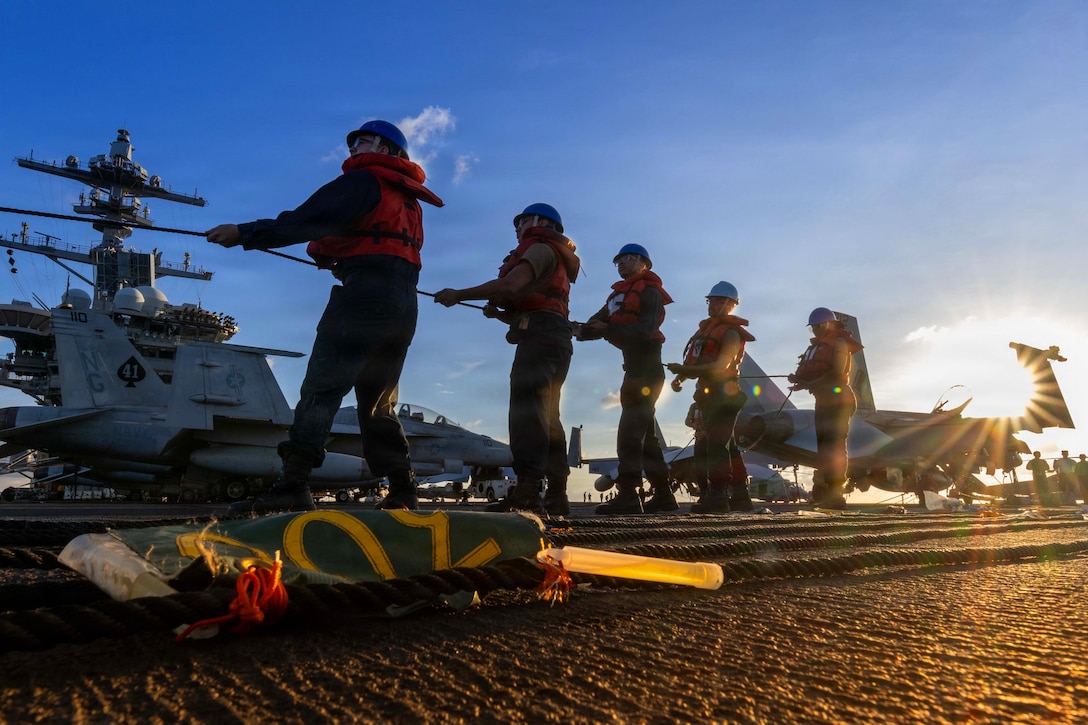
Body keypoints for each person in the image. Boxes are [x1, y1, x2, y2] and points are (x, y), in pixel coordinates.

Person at [206, 120, 444, 514]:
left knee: (322, 388)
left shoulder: (364, 181)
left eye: (363, 141)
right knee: (378, 402)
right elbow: (379, 243)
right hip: (403, 304)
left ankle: (293, 484)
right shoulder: (408, 201)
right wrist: (341, 258)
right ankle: (403, 489)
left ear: (385, 149)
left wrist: (245, 233)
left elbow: (307, 220)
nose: (353, 148)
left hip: (363, 299)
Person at [434, 203, 580, 515]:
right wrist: (502, 315)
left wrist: (458, 294)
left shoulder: (540, 248)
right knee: (549, 417)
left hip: (539, 341)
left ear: (543, 222)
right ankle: (557, 494)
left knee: (527, 413)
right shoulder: (554, 256)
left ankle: (527, 491)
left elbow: (511, 285)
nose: (517, 226)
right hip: (555, 337)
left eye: (524, 220)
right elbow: (539, 309)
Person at [578, 243, 675, 515]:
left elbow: (645, 330)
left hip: (646, 370)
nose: (621, 263)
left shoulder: (651, 292)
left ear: (645, 264)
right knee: (646, 436)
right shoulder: (616, 297)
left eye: (628, 258)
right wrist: (576, 329)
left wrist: (606, 329)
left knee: (629, 432)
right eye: (618, 260)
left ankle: (629, 494)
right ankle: (664, 495)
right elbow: (592, 325)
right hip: (635, 370)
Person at [667, 281, 754, 514]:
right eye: (710, 300)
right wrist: (681, 378)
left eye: (717, 300)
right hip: (708, 394)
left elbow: (719, 367)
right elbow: (697, 362)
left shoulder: (732, 333)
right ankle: (740, 496)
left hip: (726, 394)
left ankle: (717, 497)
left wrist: (683, 372)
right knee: (727, 446)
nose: (712, 304)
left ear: (731, 304)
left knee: (716, 445)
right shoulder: (705, 331)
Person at [787, 307, 863, 509]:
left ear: (829, 324)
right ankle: (824, 489)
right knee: (823, 446)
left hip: (839, 400)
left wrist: (807, 383)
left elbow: (836, 373)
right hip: (824, 400)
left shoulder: (839, 342)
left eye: (819, 327)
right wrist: (800, 380)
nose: (817, 332)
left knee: (834, 446)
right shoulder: (819, 347)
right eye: (813, 329)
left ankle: (835, 492)